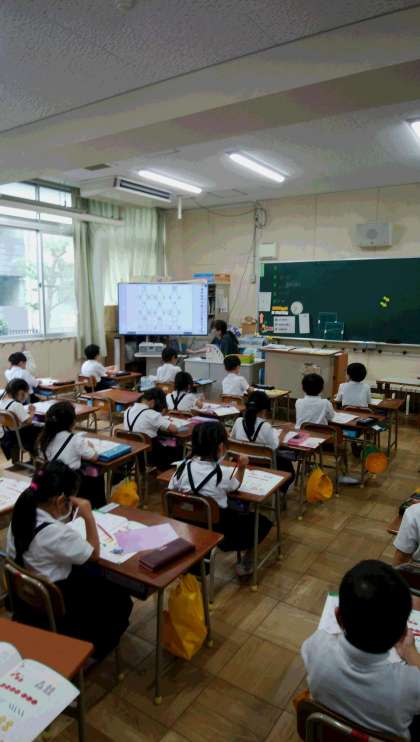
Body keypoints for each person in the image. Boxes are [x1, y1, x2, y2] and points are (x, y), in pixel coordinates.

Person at [7, 462, 133, 660]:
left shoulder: (22, 514)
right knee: (120, 599)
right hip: (58, 599)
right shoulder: (55, 533)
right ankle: (95, 650)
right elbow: (94, 554)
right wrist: (88, 516)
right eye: (69, 501)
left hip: (30, 595)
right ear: (59, 500)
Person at [302, 560, 420, 741]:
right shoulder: (409, 685)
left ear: (338, 617)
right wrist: (411, 652)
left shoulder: (316, 646)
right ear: (403, 633)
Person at [169, 421, 272, 577]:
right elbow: (236, 485)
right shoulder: (221, 475)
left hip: (186, 526)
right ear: (221, 447)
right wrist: (242, 466)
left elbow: (172, 490)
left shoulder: (182, 468)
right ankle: (246, 563)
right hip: (218, 530)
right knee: (261, 522)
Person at [38, 400, 105, 509]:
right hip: (71, 481)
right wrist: (91, 447)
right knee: (95, 472)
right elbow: (94, 457)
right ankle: (98, 507)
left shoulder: (44, 438)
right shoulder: (75, 439)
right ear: (72, 422)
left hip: (51, 478)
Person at [230, 391, 295, 492]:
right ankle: (280, 492)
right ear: (264, 410)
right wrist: (284, 432)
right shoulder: (266, 427)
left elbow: (232, 439)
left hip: (241, 464)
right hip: (264, 467)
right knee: (287, 465)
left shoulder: (238, 422)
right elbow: (275, 446)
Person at [123, 387, 181, 469]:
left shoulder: (128, 410)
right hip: (151, 455)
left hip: (133, 451)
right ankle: (166, 473)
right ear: (153, 402)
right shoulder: (151, 414)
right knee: (179, 447)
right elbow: (174, 430)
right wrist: (162, 417)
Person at [0, 379, 39, 460]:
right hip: (18, 436)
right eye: (25, 392)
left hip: (6, 434)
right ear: (20, 392)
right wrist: (32, 412)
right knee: (39, 428)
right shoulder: (16, 405)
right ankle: (35, 457)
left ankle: (18, 460)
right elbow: (28, 421)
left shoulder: (1, 401)